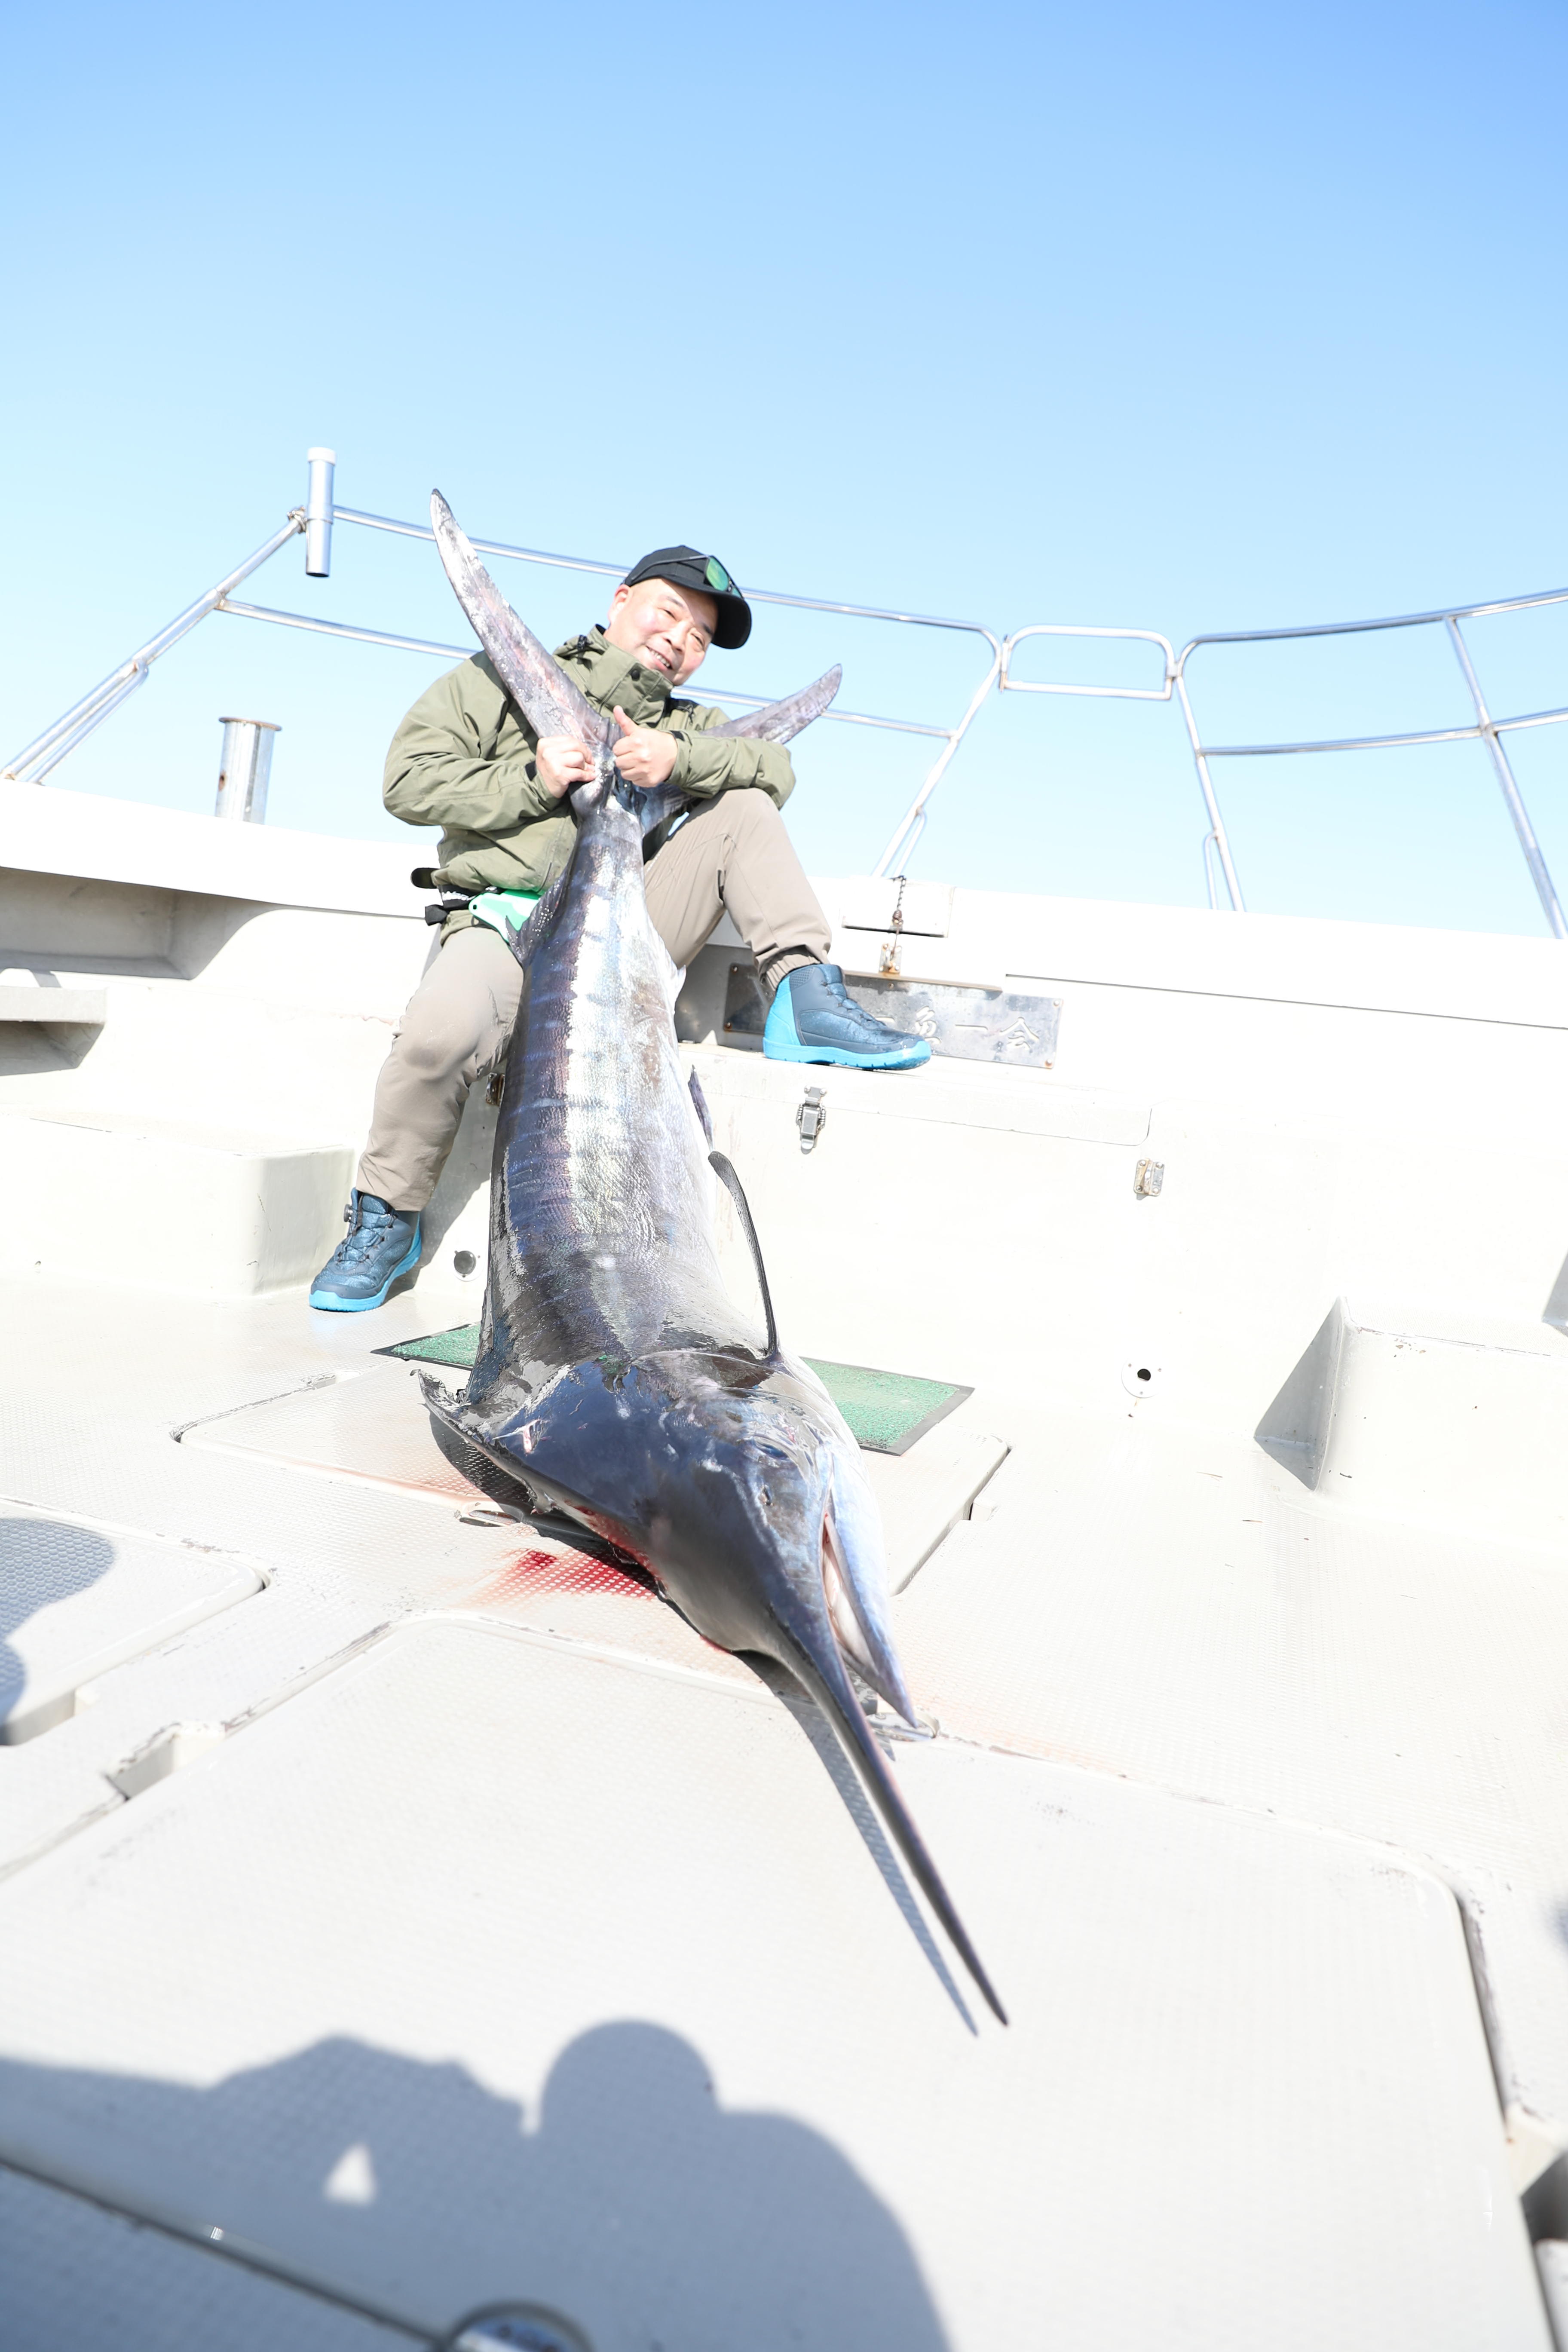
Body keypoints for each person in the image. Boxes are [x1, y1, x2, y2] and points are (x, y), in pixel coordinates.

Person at [310, 544, 930, 1312]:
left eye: (701, 637)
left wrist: (678, 758)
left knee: (745, 807)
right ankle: (386, 1218)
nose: (681, 640)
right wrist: (532, 779)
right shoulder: (494, 679)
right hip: (506, 921)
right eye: (670, 613)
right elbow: (408, 779)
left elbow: (775, 768)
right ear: (620, 600)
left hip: (629, 931)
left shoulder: (695, 725)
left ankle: (806, 996)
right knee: (439, 1033)